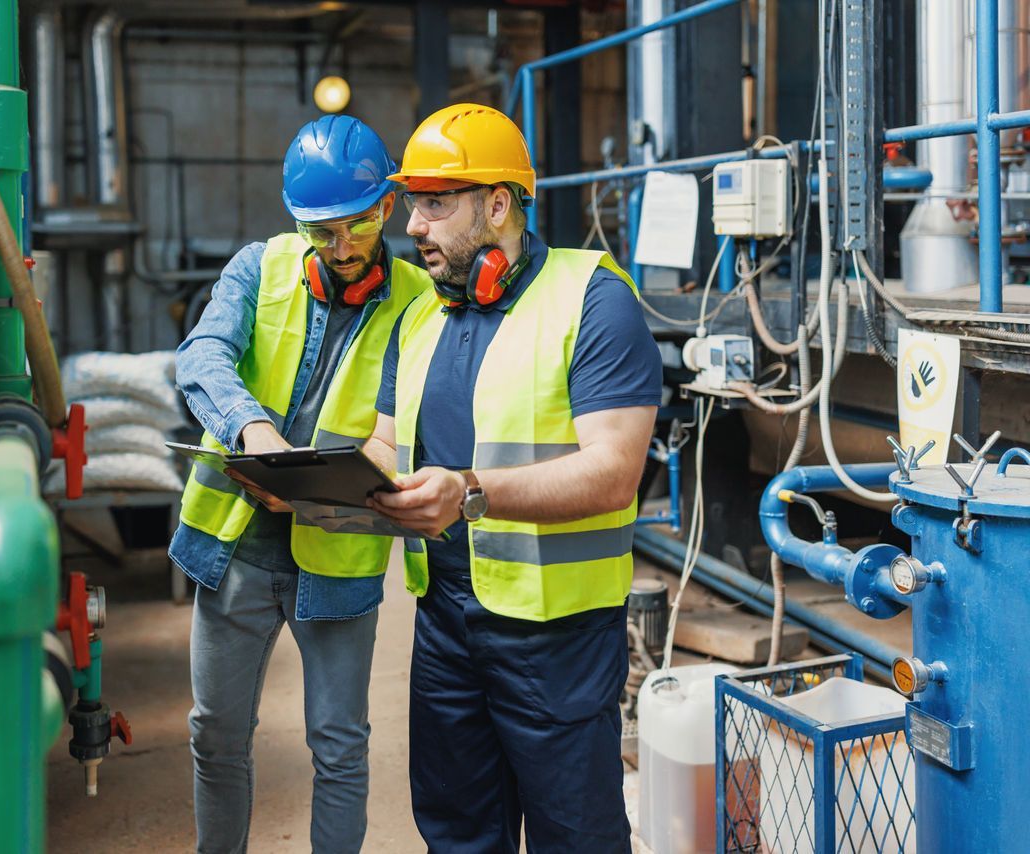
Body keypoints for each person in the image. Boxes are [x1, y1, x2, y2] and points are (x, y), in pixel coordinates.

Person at [363, 103, 663, 852]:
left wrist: (469, 491)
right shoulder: (421, 318)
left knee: (575, 836)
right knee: (460, 832)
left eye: (436, 203)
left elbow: (614, 473)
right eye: (414, 204)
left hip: (555, 636)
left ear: (498, 205)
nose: (415, 226)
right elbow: (384, 442)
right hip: (444, 626)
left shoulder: (593, 300)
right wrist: (304, 480)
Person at [169, 114, 432, 854]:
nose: (342, 248)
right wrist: (256, 434)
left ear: (386, 206)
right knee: (215, 734)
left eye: (357, 225)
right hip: (237, 551)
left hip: (337, 558)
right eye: (322, 233)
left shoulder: (417, 299)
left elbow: (403, 422)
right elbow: (202, 358)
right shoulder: (258, 268)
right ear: (296, 222)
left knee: (340, 747)